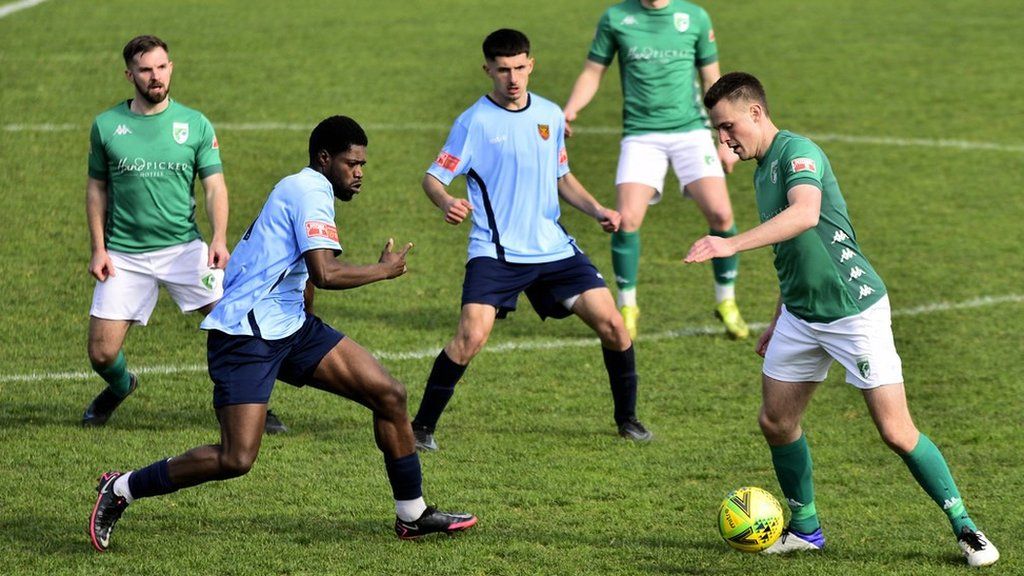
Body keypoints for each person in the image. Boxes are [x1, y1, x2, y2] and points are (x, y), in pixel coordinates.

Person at [87, 116, 477, 552]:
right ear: (325, 159)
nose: (360, 172)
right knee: (236, 458)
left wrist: (308, 320)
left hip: (289, 326)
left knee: (389, 394)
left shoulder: (310, 189)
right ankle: (121, 488)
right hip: (246, 335)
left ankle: (412, 514)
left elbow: (302, 270)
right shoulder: (308, 191)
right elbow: (325, 272)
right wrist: (382, 272)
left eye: (363, 163)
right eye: (352, 163)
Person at [685, 72, 998, 567]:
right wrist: (777, 317)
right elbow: (793, 254)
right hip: (800, 314)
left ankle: (966, 528)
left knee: (896, 432)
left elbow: (806, 214)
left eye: (727, 127)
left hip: (854, 311)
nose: (723, 139)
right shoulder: (761, 169)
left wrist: (729, 242)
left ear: (755, 114)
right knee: (776, 420)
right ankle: (806, 529)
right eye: (716, 131)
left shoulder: (797, 153)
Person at [409, 29, 651, 453]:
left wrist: (598, 210)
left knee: (614, 325)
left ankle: (627, 419)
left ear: (531, 64)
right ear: (488, 70)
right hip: (497, 252)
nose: (513, 77)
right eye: (503, 70)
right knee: (471, 337)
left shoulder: (551, 115)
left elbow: (561, 176)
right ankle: (421, 427)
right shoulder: (474, 123)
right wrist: (446, 200)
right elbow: (434, 177)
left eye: (520, 67)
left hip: (553, 249)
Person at [82, 35, 287, 434]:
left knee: (237, 324)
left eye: (161, 67)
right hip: (124, 254)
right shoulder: (106, 126)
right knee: (102, 353)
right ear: (129, 75)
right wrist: (98, 248)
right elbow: (96, 188)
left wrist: (219, 237)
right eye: (145, 70)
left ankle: (255, 404)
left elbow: (214, 186)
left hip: (184, 250)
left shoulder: (194, 124)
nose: (155, 77)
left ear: (171, 68)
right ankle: (122, 387)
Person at [563, 0, 749, 340]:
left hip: (691, 132)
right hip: (642, 135)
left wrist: (725, 138)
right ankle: (627, 306)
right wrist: (571, 109)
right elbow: (593, 71)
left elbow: (712, 78)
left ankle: (727, 301)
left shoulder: (693, 17)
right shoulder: (616, 18)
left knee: (722, 216)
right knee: (627, 219)